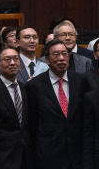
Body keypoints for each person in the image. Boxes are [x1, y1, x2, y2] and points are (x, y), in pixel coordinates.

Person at [25, 39, 87, 168]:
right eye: (56, 54)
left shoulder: (81, 81)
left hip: (77, 153)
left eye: (64, 54)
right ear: (47, 60)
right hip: (48, 154)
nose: (61, 58)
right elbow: (31, 124)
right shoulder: (34, 86)